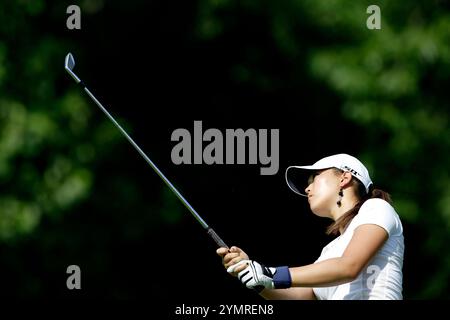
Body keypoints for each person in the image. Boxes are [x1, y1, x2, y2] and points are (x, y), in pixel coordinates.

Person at [217, 154, 404, 300]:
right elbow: (304, 296)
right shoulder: (329, 252)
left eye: (315, 177)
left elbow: (349, 266)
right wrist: (257, 277)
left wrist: (269, 273)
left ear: (344, 177)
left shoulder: (377, 207)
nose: (307, 189)